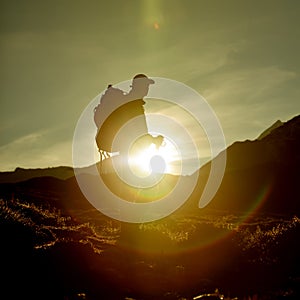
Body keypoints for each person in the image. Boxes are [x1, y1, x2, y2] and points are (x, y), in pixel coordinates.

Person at [95, 74, 163, 173]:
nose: (146, 89)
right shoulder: (133, 105)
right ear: (137, 86)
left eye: (147, 86)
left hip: (115, 144)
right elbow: (136, 134)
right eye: (145, 85)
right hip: (125, 148)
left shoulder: (130, 102)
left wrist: (151, 139)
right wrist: (153, 140)